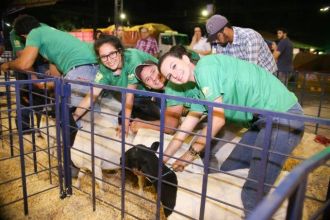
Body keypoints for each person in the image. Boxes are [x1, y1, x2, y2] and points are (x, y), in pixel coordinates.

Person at [158, 49, 305, 212]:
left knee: (251, 196)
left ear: (185, 58)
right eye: (169, 76)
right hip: (263, 120)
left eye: (174, 66)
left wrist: (189, 156)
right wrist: (162, 160)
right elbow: (186, 126)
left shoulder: (205, 68)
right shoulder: (200, 88)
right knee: (228, 173)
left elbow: (218, 120)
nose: (175, 75)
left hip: (284, 115)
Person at [0, 14, 99, 107]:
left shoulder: (34, 33)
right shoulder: (47, 31)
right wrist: (51, 84)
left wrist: (8, 65)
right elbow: (54, 66)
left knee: (71, 113)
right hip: (96, 66)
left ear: (24, 36)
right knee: (92, 111)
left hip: (80, 69)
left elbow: (24, 63)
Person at [73, 35, 159, 137]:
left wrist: (125, 126)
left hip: (159, 86)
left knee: (157, 117)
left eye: (112, 54)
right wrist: (73, 118)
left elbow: (129, 96)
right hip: (140, 94)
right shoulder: (104, 70)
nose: (109, 60)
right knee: (122, 116)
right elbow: (91, 96)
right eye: (104, 57)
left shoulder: (132, 60)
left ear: (120, 51)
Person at [206, 14, 277, 73]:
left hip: (268, 75)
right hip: (247, 74)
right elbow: (224, 67)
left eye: (217, 37)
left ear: (225, 30)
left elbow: (251, 71)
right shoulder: (221, 44)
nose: (216, 41)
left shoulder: (249, 37)